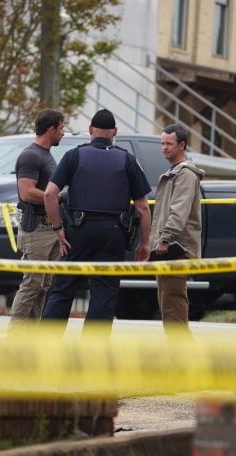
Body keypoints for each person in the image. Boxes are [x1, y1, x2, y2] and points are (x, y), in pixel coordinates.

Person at [40, 109, 152, 339]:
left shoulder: (73, 156)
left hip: (77, 232)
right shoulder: (128, 159)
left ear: (90, 131)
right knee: (104, 291)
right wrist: (145, 243)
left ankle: (45, 346)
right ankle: (93, 351)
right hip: (113, 234)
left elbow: (49, 194)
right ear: (115, 133)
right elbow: (142, 207)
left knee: (62, 288)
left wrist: (58, 229)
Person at [7, 109, 66, 333]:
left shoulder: (46, 154)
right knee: (32, 283)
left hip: (50, 228)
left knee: (44, 285)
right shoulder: (31, 155)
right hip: (36, 229)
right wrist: (55, 197)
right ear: (51, 129)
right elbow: (26, 192)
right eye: (61, 128)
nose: (63, 132)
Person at [150, 124, 205, 339]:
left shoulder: (185, 175)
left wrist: (164, 239)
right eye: (162, 143)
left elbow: (178, 212)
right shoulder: (173, 173)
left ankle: (182, 354)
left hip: (176, 249)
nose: (164, 148)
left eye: (169, 144)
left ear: (181, 145)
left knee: (173, 303)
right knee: (167, 302)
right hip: (167, 249)